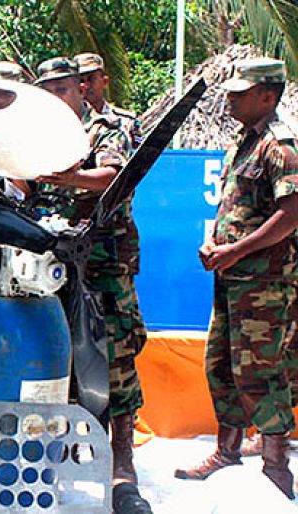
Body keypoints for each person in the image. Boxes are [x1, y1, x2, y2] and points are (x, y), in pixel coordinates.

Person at [174, 57, 298, 500]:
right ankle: (226, 451)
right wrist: (212, 241)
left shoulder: (280, 146)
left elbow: (291, 214)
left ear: (268, 95)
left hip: (264, 285)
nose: (230, 97)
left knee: (261, 375)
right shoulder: (243, 143)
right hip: (232, 278)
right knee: (221, 367)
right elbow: (230, 206)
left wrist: (236, 251)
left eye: (240, 91)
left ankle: (276, 468)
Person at [34, 57, 151, 513]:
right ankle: (54, 461)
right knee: (56, 364)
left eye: (62, 89)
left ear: (80, 90)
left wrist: (70, 178)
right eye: (47, 90)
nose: (55, 98)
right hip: (52, 267)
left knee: (116, 363)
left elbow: (114, 176)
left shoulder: (102, 128)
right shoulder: (36, 131)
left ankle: (123, 468)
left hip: (104, 265)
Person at [75, 52, 143, 149]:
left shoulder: (126, 121)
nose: (86, 86)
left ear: (105, 81)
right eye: (81, 80)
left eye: (91, 79)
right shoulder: (69, 121)